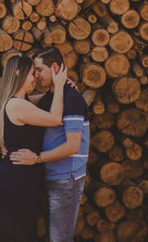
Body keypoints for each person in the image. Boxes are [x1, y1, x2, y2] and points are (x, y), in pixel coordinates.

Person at [9, 47, 91, 242]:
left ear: (55, 68)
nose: (36, 76)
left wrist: (36, 158)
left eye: (39, 70)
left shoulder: (71, 100)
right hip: (51, 177)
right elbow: (21, 102)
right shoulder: (52, 99)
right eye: (34, 72)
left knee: (59, 239)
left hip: (65, 180)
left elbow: (73, 146)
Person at [0, 53, 68, 242]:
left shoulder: (25, 102)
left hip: (23, 180)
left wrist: (61, 88)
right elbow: (55, 118)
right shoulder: (17, 105)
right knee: (13, 234)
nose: (35, 78)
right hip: (15, 182)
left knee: (20, 233)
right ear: (18, 74)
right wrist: (61, 86)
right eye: (32, 73)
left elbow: (50, 100)